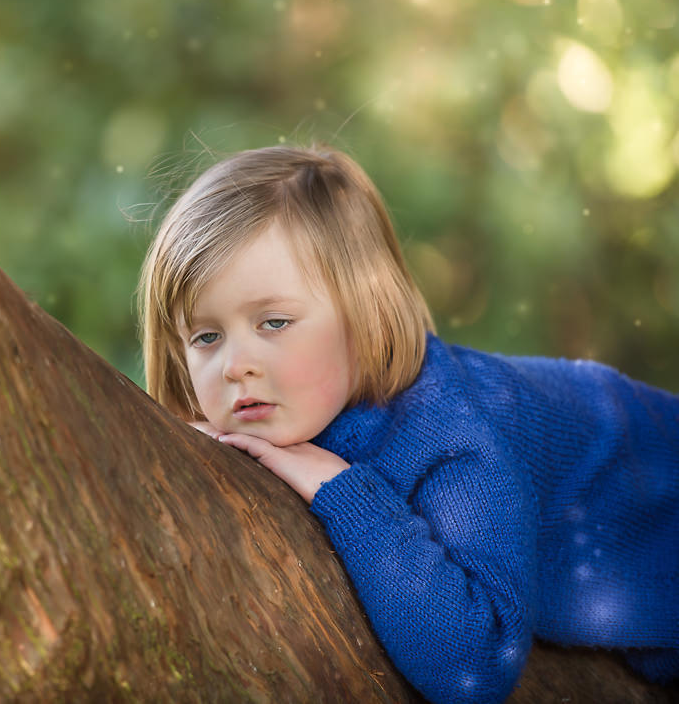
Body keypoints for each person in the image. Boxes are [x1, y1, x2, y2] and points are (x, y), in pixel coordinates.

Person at [138, 144, 679, 703]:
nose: (234, 365)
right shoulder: (300, 406)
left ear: (364, 312)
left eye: (273, 322)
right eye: (206, 336)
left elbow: (475, 669)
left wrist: (342, 491)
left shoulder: (450, 439)